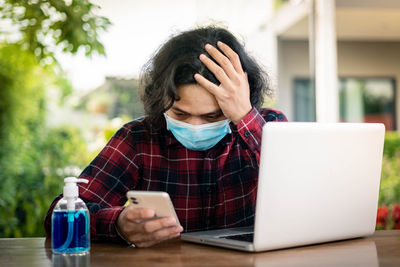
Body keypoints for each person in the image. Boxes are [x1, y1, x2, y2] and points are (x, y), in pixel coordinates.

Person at [44, 26, 287, 248]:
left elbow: (300, 193)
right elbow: (59, 214)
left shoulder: (270, 127)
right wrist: (118, 223)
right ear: (160, 101)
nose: (194, 126)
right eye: (180, 113)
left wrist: (245, 117)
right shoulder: (138, 139)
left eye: (212, 117)